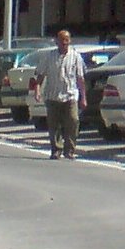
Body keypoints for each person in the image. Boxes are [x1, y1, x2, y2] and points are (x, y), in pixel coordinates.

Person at [33, 29, 88, 159]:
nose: (64, 43)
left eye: (66, 41)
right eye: (61, 41)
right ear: (56, 41)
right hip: (53, 95)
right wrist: (37, 90)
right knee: (54, 125)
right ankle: (56, 149)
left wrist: (83, 98)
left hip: (70, 95)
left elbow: (80, 78)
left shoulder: (76, 57)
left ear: (69, 41)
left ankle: (69, 150)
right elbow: (40, 75)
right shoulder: (49, 56)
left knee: (73, 120)